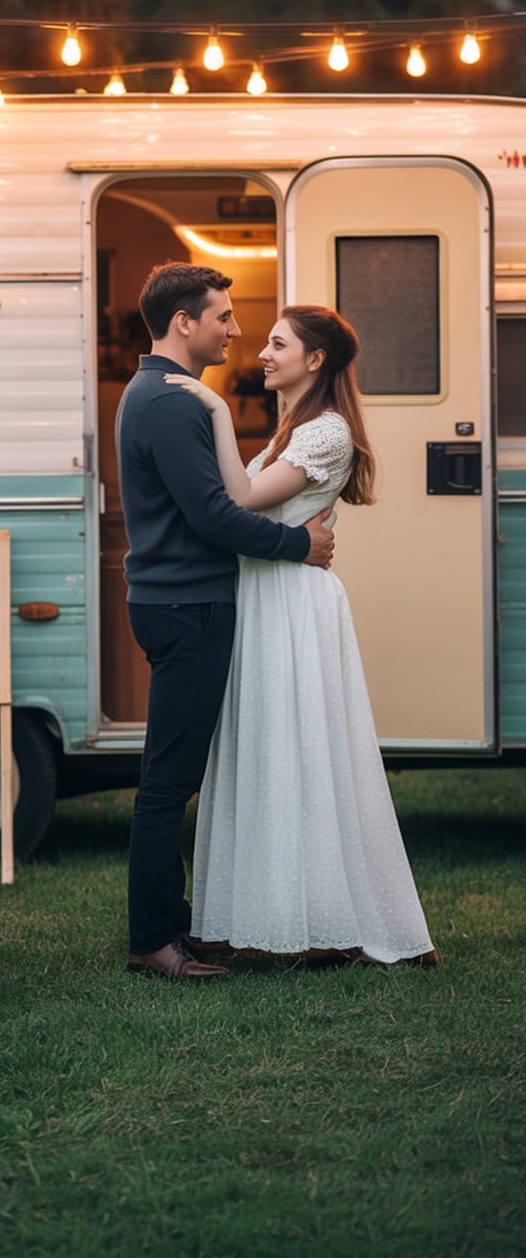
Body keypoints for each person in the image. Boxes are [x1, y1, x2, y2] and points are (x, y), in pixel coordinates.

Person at [167, 304, 435, 967]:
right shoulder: (296, 428)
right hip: (268, 597)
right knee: (266, 750)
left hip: (292, 603)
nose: (261, 351)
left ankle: (326, 921)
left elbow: (243, 499)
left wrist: (214, 411)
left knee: (303, 753)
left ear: (314, 360)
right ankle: (259, 916)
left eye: (277, 343)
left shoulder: (326, 434)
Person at [116, 263, 336, 982]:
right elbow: (215, 516)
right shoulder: (174, 404)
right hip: (189, 607)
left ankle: (171, 923)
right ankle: (155, 939)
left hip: (171, 601)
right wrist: (299, 545)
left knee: (171, 772)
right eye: (223, 316)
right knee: (168, 780)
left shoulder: (150, 393)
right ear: (185, 322)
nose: (235, 330)